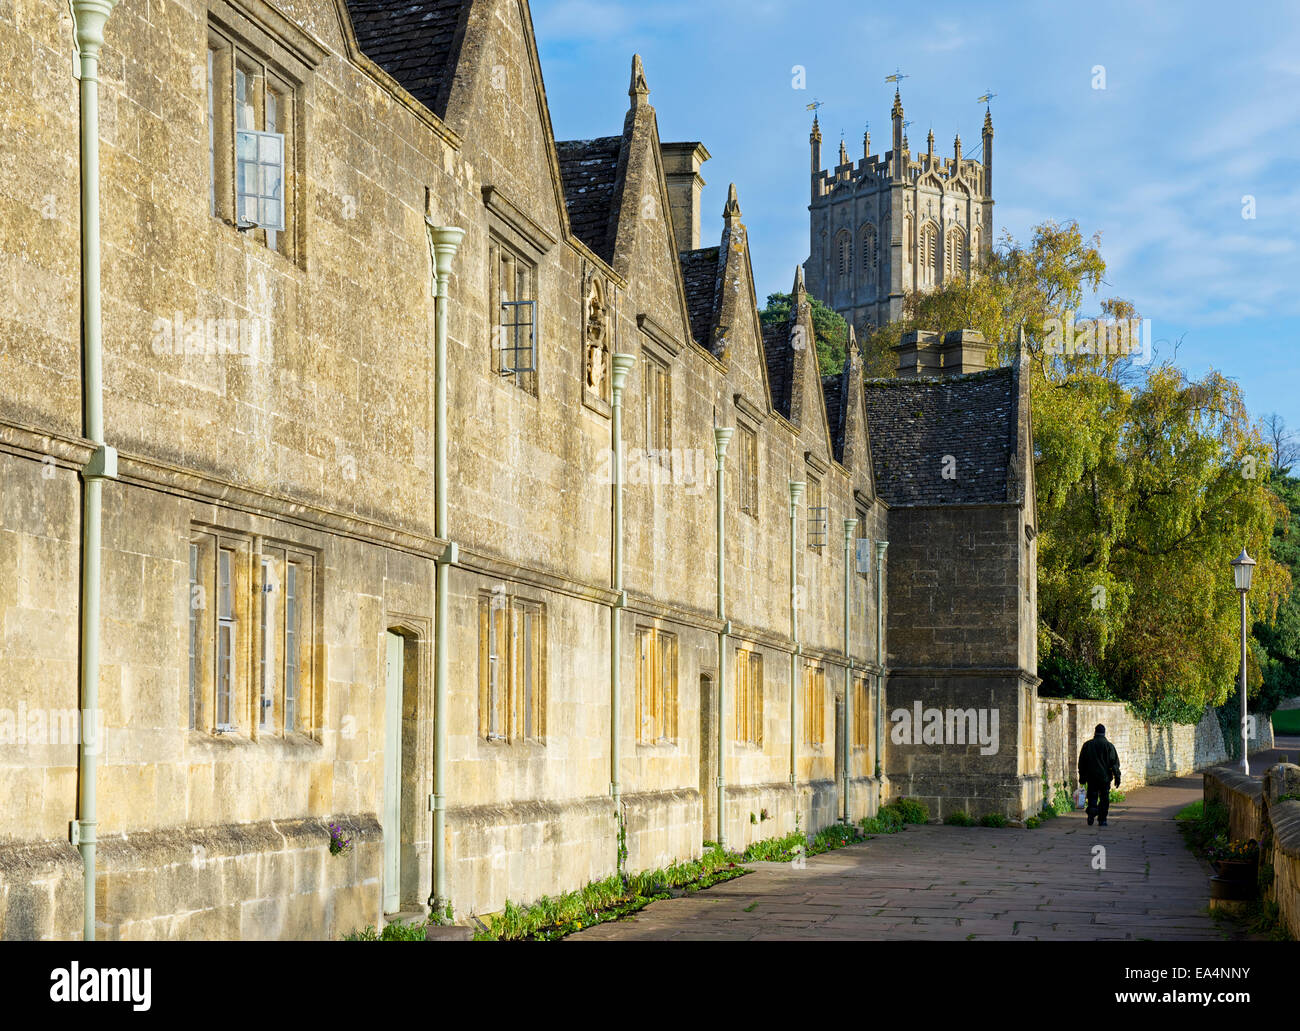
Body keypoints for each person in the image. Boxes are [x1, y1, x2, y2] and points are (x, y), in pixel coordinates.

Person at [1077, 723, 1121, 826]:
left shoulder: (1087, 745)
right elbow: (1114, 763)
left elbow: (1082, 762)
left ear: (1095, 732)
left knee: (1092, 795)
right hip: (1105, 778)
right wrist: (1117, 777)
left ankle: (1092, 809)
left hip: (1091, 777)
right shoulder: (1109, 746)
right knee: (1104, 798)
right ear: (1104, 733)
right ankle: (1102, 820)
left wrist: (1082, 777)